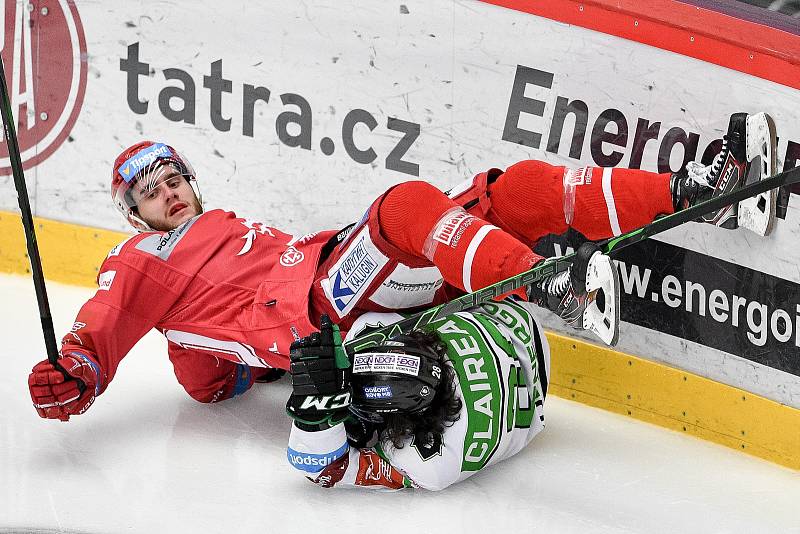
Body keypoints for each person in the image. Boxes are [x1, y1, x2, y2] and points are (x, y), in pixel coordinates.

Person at [27, 112, 774, 421]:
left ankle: (702, 196)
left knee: (515, 190)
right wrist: (77, 371)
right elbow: (105, 322)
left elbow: (207, 382)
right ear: (135, 215)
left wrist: (237, 366)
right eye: (151, 193)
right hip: (323, 307)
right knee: (402, 208)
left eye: (175, 177)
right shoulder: (137, 260)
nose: (170, 193)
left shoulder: (216, 230)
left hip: (341, 285)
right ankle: (563, 289)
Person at [284, 294, 553, 490]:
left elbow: (326, 471)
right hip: (516, 324)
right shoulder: (428, 459)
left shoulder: (426, 462)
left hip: (518, 327)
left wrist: (314, 422)